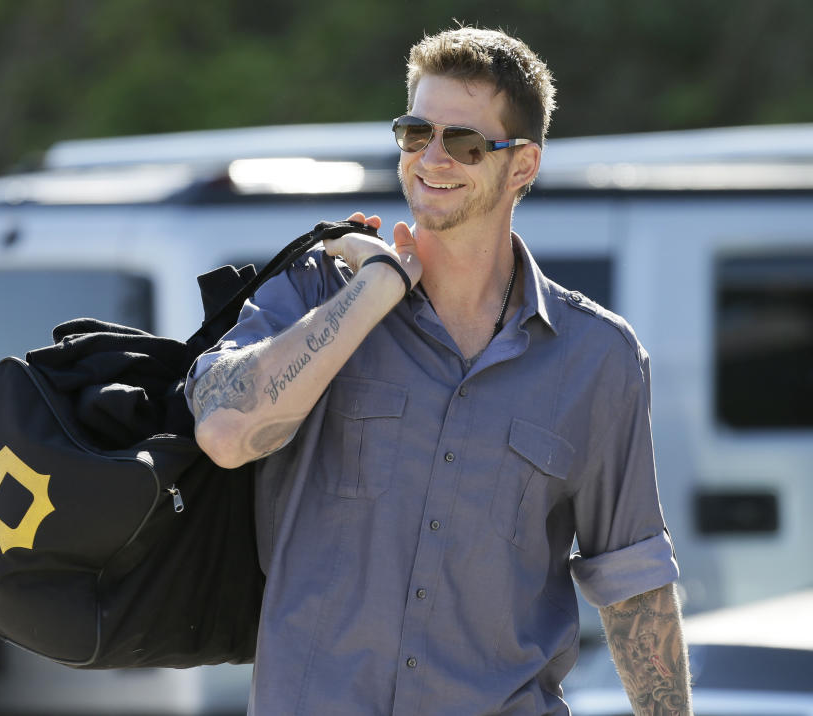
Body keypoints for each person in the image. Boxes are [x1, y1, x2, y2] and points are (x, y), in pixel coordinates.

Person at [186, 26, 691, 716]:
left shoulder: (599, 360)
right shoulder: (317, 292)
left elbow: (634, 588)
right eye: (415, 132)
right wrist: (373, 293)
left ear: (522, 167)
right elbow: (225, 431)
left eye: (465, 142)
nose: (433, 158)